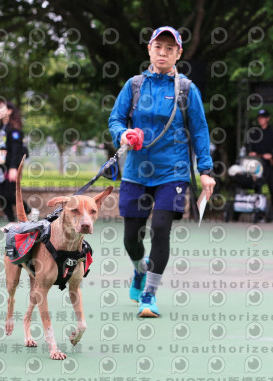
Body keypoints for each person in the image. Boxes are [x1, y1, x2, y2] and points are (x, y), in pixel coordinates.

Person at [109, 26, 215, 318]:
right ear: (149, 49)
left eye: (170, 49)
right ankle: (139, 270)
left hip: (173, 172)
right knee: (131, 237)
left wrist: (205, 170)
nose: (163, 53)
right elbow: (116, 118)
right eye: (158, 47)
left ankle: (149, 295)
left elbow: (200, 130)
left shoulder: (187, 89)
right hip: (136, 172)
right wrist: (123, 134)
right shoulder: (134, 85)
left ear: (179, 54)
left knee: (160, 229)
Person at [0, 100, 23, 223]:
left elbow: (16, 150)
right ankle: (11, 222)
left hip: (10, 167)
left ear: (10, 111)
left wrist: (13, 167)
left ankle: (28, 210)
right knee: (0, 195)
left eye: (2, 108)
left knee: (9, 195)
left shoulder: (14, 130)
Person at [245, 109, 273, 222]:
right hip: (258, 164)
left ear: (268, 119)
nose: (260, 120)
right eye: (259, 118)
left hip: (271, 165)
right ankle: (258, 212)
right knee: (257, 186)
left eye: (263, 118)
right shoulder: (254, 132)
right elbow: (248, 144)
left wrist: (271, 154)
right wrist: (250, 152)